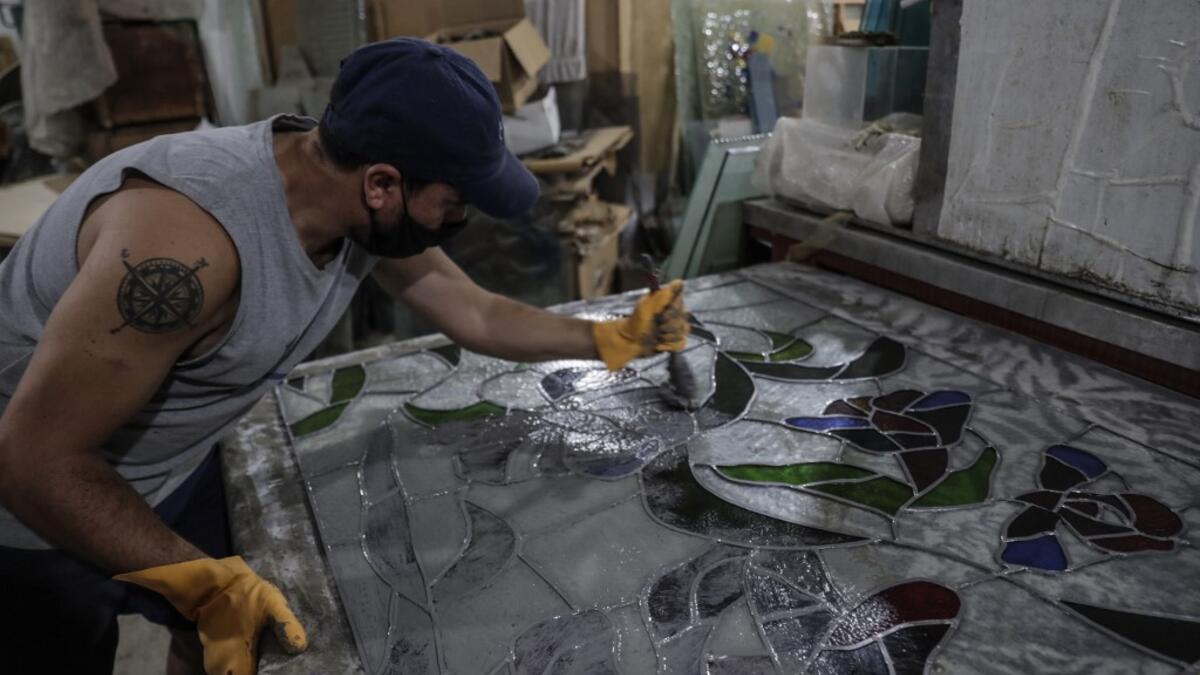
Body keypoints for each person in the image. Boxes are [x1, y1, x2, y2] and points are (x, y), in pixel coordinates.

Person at [0, 38, 689, 675]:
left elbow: (471, 310)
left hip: (172, 455)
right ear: (383, 186)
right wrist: (202, 583)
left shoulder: (340, 181)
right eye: (453, 204)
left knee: (246, 630)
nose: (459, 222)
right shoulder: (184, 252)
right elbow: (34, 458)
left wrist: (611, 337)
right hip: (35, 507)